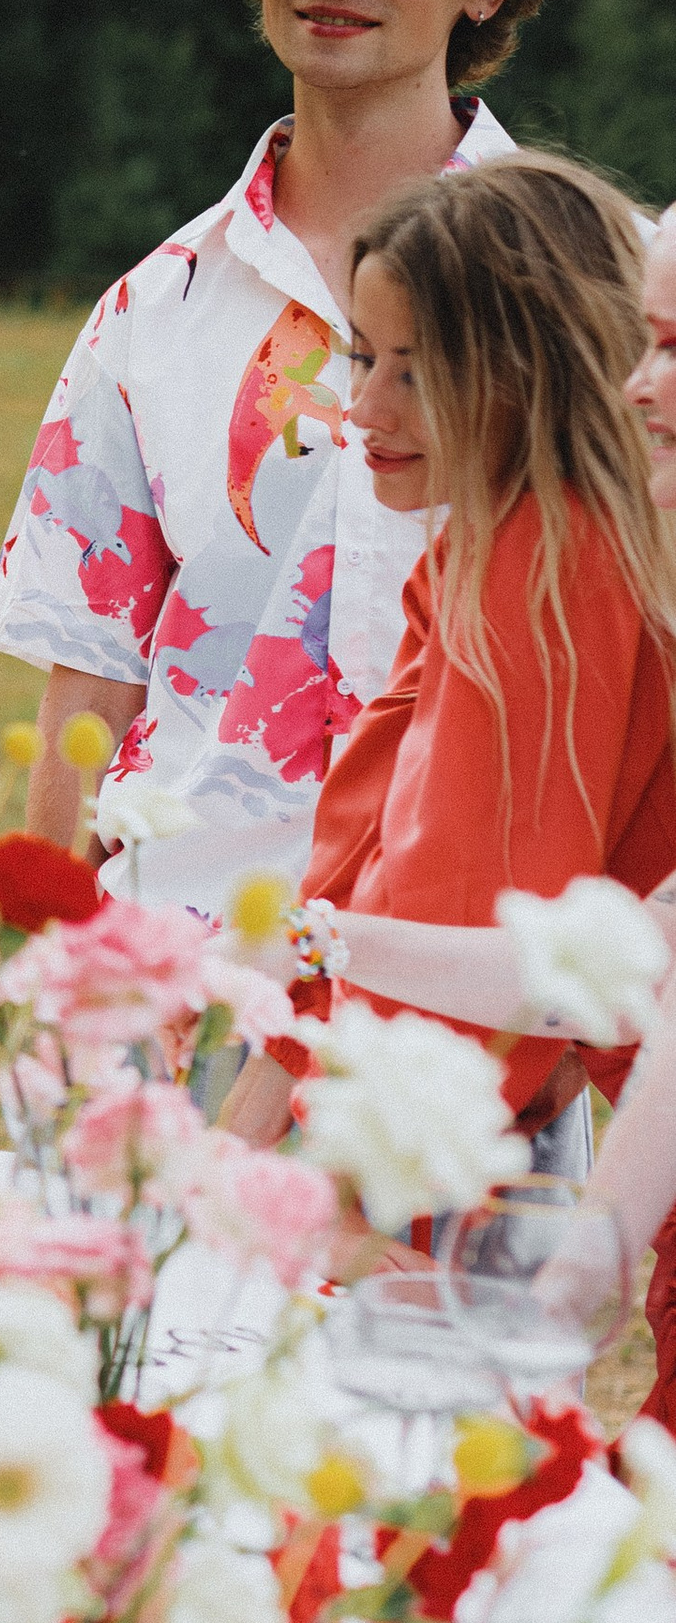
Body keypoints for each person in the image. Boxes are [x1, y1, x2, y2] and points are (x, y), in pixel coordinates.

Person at [0, 0, 583, 918]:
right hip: (182, 960)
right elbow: (90, 686)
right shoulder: (154, 310)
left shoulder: (588, 297)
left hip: (458, 972)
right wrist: (54, 970)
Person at [226, 155, 676, 1161]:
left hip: (430, 1158)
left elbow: (472, 904)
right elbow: (361, 874)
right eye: (361, 359)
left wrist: (340, 1195)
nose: (365, 410)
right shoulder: (487, 553)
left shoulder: (549, 575)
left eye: (418, 373)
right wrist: (237, 1145)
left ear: (541, 370)